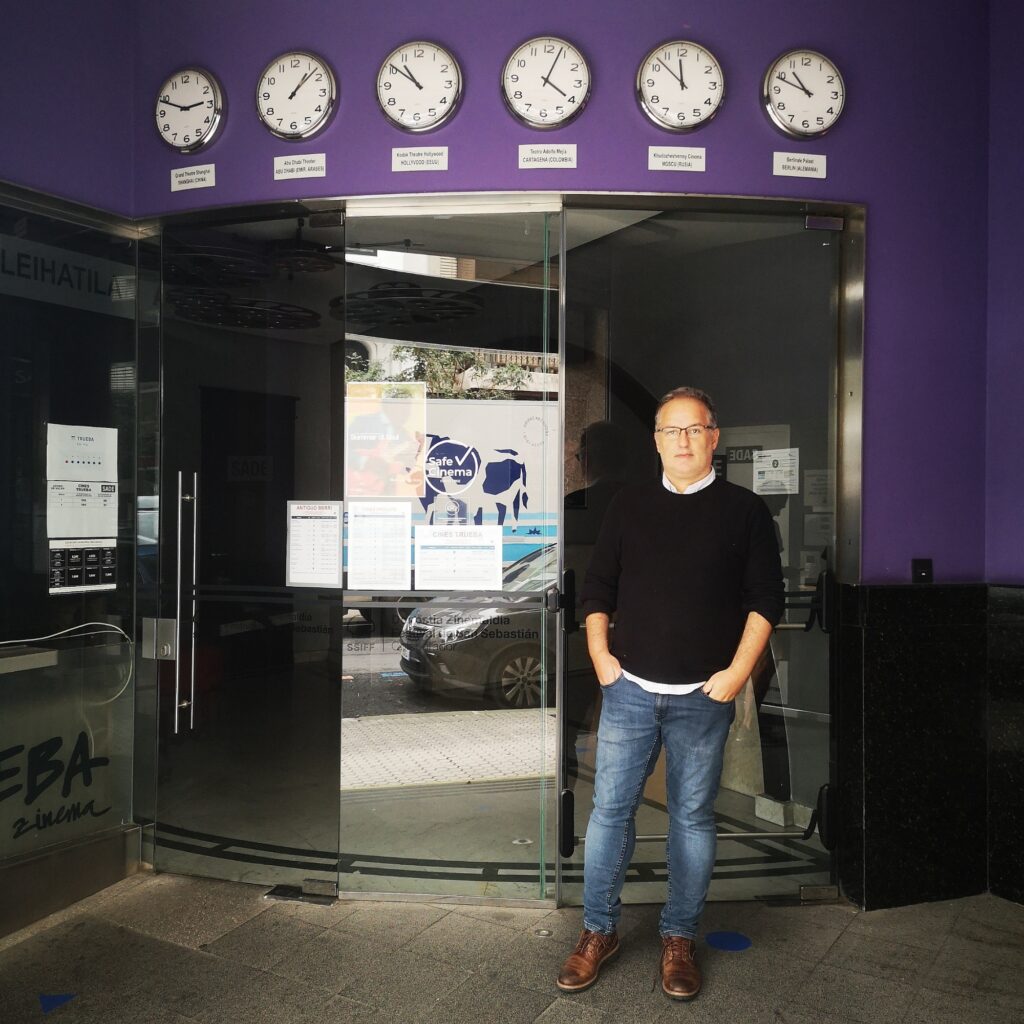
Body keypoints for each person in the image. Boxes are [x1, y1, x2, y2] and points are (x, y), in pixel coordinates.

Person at [556, 386, 784, 1002]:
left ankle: (679, 937)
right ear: (656, 441)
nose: (683, 440)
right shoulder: (628, 506)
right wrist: (601, 658)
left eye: (694, 429)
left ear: (713, 437)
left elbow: (766, 601)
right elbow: (598, 589)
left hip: (703, 699)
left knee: (692, 818)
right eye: (670, 430)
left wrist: (736, 675)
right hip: (629, 690)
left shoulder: (745, 511)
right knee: (610, 813)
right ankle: (598, 930)